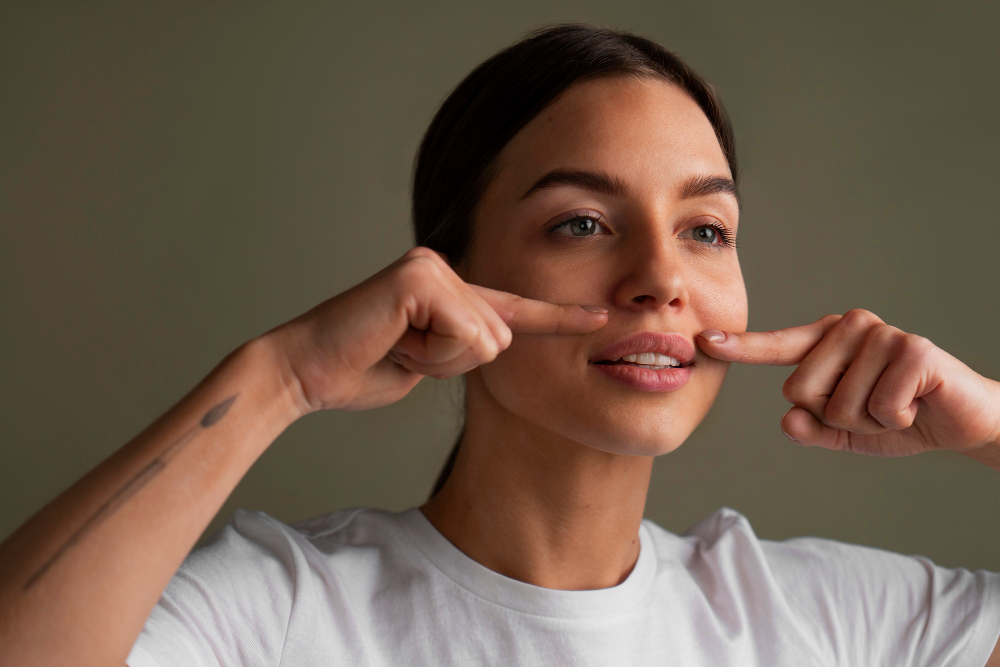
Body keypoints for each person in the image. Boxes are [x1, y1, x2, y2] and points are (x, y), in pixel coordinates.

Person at [1, 23, 998, 667]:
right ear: (446, 275)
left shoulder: (831, 624)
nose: (661, 276)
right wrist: (279, 376)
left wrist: (992, 423)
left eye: (705, 230)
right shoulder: (286, 612)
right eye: (581, 223)